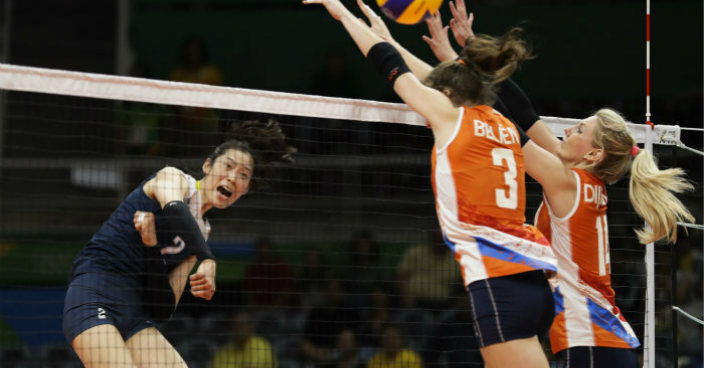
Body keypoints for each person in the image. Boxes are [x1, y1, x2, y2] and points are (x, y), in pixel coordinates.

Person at [421, 2, 696, 366]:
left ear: (594, 154)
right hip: (601, 343)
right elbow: (527, 116)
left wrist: (467, 66)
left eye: (579, 129)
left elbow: (507, 127)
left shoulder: (567, 182)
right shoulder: (581, 180)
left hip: (591, 341)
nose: (567, 129)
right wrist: (469, 56)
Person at [302, 1, 558, 367]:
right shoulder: (503, 123)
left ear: (449, 95)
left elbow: (391, 67)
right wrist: (387, 36)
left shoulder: (452, 116)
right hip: (533, 282)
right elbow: (434, 75)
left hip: (497, 280)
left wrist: (343, 15)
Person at [62, 120, 295, 367]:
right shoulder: (174, 178)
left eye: (243, 175)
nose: (232, 177)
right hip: (95, 290)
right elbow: (174, 208)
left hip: (134, 313)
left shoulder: (201, 234)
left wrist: (152, 246)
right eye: (228, 166)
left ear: (245, 189)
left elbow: (162, 308)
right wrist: (207, 258)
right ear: (207, 165)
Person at [208, 310, 277, 368]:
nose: (240, 328)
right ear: (231, 328)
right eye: (236, 325)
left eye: (243, 324)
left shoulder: (261, 346)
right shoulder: (223, 352)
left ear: (250, 326)